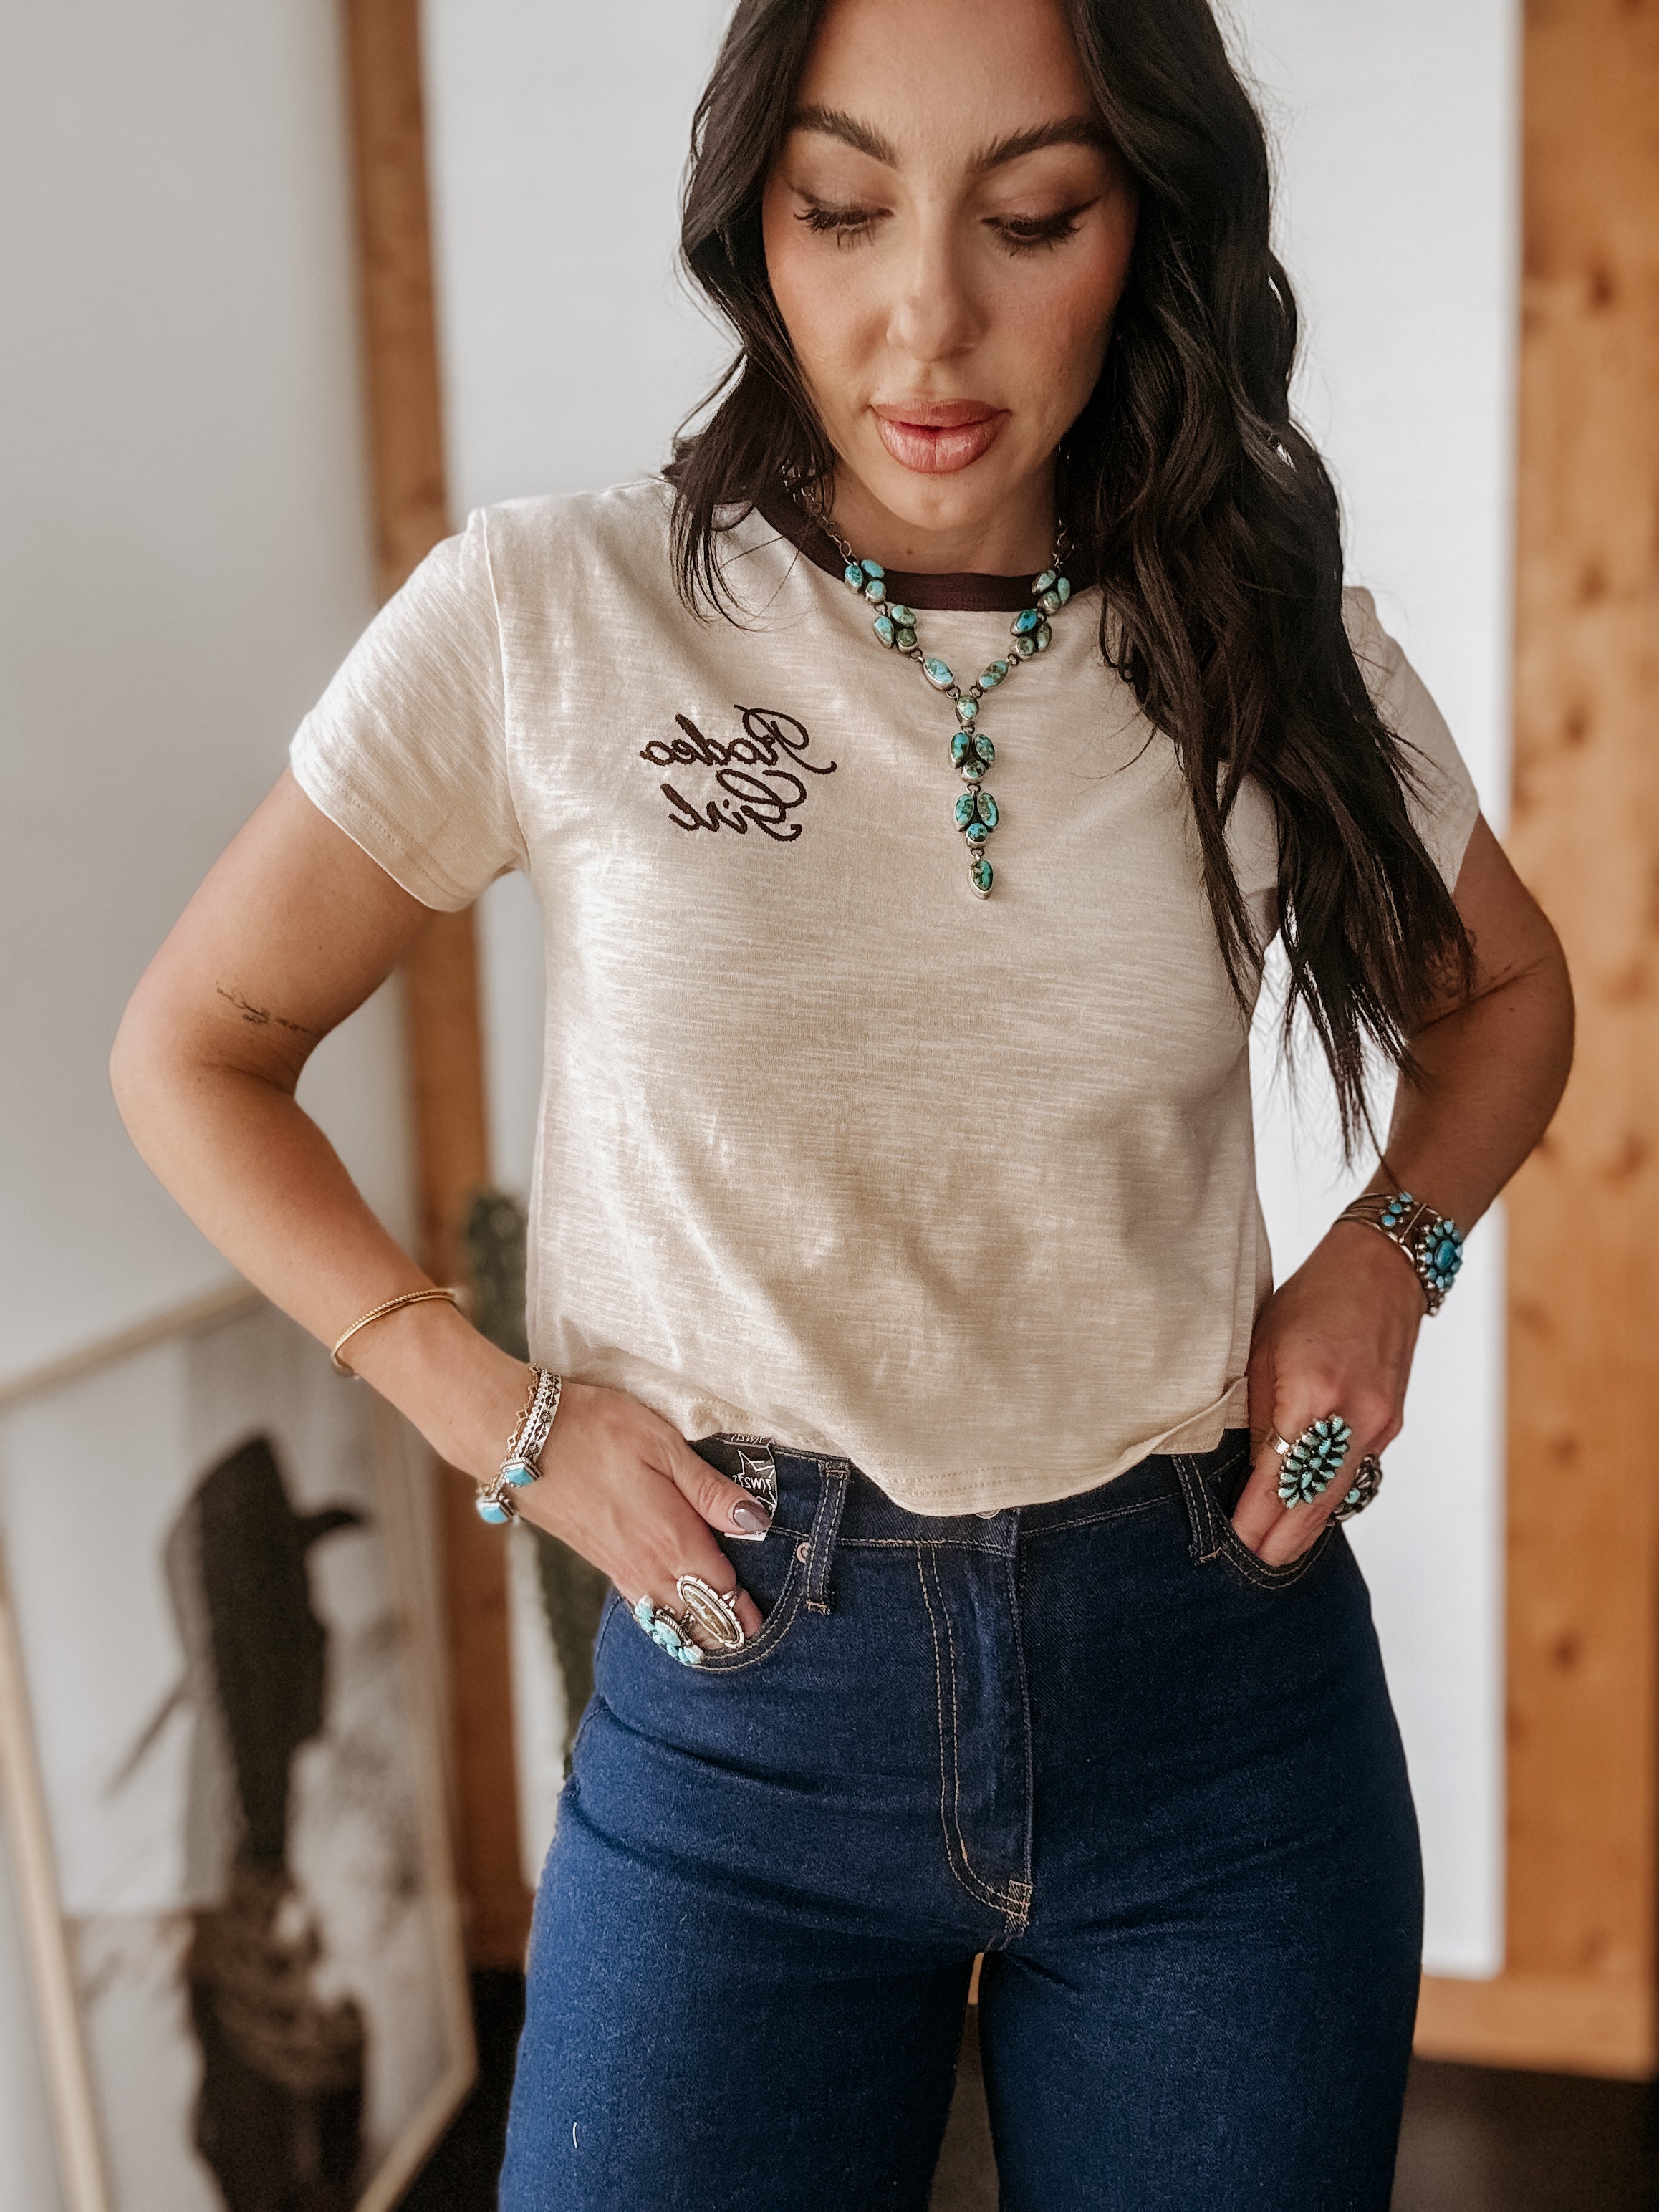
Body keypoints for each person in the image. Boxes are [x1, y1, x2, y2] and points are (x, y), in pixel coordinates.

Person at [111, 0, 1573, 2203]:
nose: (929, 313)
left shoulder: (1268, 637)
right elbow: (194, 1054)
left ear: (1144, 224)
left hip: (1212, 1702)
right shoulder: (554, 612)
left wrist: (1393, 1252)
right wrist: (482, 1407)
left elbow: (1508, 997)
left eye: (1033, 215)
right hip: (740, 1712)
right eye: (843, 207)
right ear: (752, 228)